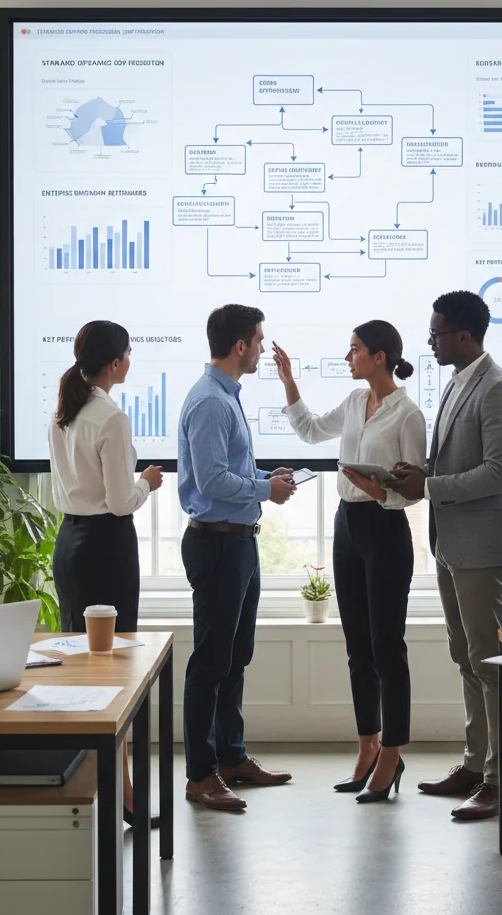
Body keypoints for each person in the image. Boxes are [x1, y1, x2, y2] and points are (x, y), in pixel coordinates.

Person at [273, 322, 426, 803]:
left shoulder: (409, 415)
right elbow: (311, 430)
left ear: (379, 357)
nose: (348, 356)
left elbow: (415, 490)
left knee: (387, 648)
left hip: (385, 529)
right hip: (347, 527)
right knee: (357, 647)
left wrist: (380, 491)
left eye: (355, 349)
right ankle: (367, 746)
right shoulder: (355, 403)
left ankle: (392, 754)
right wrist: (289, 382)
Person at [389, 291, 502, 821]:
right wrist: (415, 473)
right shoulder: (456, 383)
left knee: (490, 664)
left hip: (484, 547)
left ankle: (501, 780)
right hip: (451, 543)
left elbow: (500, 471)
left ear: (463, 336)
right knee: (467, 658)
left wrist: (432, 484)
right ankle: (475, 764)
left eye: (436, 333)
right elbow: (451, 459)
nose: (429, 342)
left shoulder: (500, 389)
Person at [178, 304, 297, 812]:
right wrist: (263, 488)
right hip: (218, 543)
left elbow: (228, 470)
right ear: (241, 346)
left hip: (238, 541)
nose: (264, 348)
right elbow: (211, 482)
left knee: (235, 656)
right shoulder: (210, 402)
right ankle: (201, 775)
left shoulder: (226, 396)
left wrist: (265, 478)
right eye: (259, 339)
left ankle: (231, 757)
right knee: (210, 661)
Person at [48, 319, 164, 829]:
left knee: (80, 668)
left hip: (69, 544)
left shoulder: (63, 412)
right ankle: (122, 792)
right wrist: (147, 482)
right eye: (130, 353)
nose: (131, 361)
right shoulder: (111, 418)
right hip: (107, 547)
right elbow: (120, 503)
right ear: (116, 362)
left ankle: (97, 787)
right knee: (112, 670)